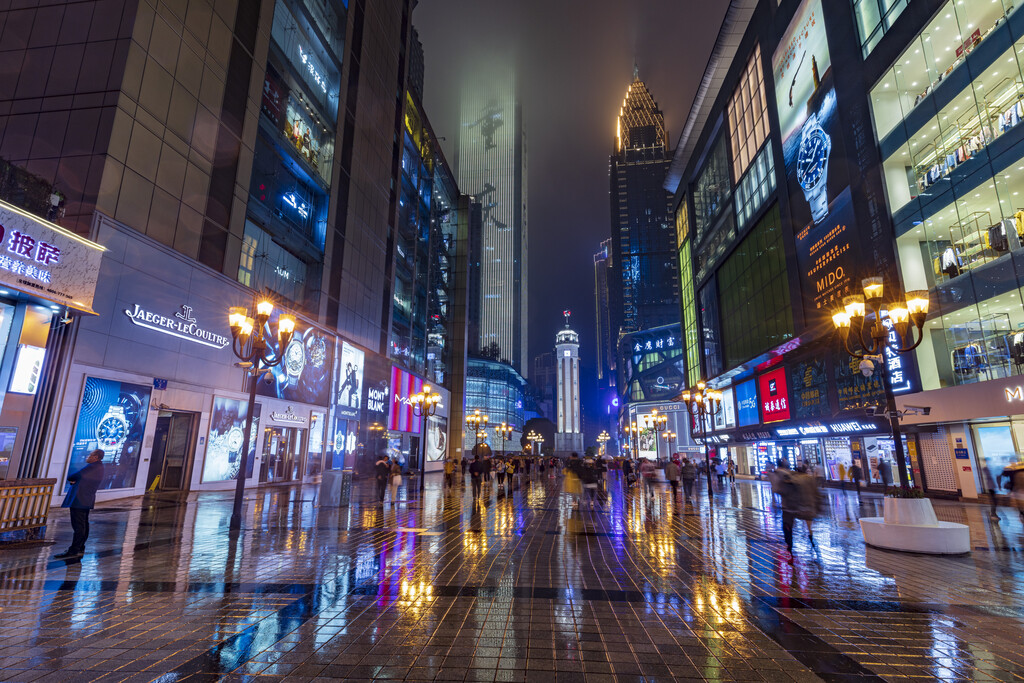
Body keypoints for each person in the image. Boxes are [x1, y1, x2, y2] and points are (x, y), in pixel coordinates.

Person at [56, 449, 106, 559]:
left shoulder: (91, 467)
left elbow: (73, 476)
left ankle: (74, 550)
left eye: (91, 455)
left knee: (79, 526)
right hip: (85, 500)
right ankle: (80, 547)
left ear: (96, 457)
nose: (88, 456)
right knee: (83, 525)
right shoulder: (99, 467)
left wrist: (75, 480)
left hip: (79, 500)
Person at [778, 464, 821, 562]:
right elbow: (817, 494)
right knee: (809, 528)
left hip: (792, 508)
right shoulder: (810, 480)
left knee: (788, 528)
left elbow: (782, 491)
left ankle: (791, 552)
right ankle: (813, 542)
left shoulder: (793, 479)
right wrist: (818, 508)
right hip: (808, 507)